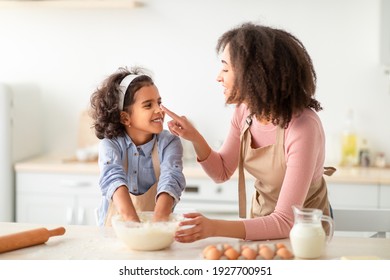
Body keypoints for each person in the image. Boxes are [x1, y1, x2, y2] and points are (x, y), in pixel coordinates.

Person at [162, 22, 335, 242]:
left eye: (225, 69)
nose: (218, 77)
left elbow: (285, 221)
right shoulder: (245, 112)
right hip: (260, 225)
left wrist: (213, 227)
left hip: (305, 236)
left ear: (253, 76)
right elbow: (222, 171)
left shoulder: (303, 127)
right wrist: (195, 137)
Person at [90, 66, 186, 226]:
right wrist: (133, 226)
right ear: (125, 117)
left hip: (157, 228)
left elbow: (171, 178)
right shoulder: (111, 145)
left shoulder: (169, 143)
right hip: (115, 231)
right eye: (148, 105)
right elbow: (113, 178)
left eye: (159, 102)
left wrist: (157, 223)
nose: (159, 110)